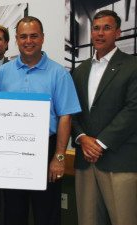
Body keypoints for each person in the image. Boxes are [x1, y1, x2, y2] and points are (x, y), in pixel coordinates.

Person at [0, 16, 81, 225]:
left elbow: (65, 116)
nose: (28, 41)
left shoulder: (59, 74)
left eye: (34, 36)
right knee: (12, 212)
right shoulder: (3, 74)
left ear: (42, 38)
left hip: (46, 149)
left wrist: (59, 156)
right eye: (23, 36)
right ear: (16, 39)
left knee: (47, 213)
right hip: (11, 150)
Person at [72, 10, 137, 225]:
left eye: (107, 28)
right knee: (88, 220)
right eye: (96, 28)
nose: (100, 33)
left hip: (119, 160)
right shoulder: (80, 70)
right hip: (85, 161)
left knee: (124, 219)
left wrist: (99, 143)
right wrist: (82, 137)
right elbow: (71, 111)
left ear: (118, 33)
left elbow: (133, 109)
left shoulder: (132, 66)